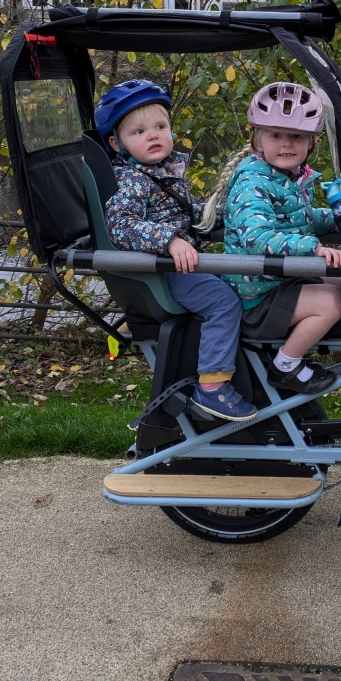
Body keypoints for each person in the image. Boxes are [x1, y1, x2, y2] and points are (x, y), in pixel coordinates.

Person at [96, 79, 257, 423]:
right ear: (116, 143)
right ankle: (212, 387)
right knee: (223, 301)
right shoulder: (131, 181)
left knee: (239, 280)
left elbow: (184, 212)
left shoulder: (163, 173)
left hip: (180, 266)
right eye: (138, 132)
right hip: (164, 275)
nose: (153, 135)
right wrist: (170, 239)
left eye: (160, 126)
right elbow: (121, 226)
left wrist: (230, 217)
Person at [222, 82, 341, 394]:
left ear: (311, 142)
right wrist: (314, 248)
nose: (287, 144)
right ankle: (285, 366)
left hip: (277, 281)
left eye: (296, 136)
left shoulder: (288, 177)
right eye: (275, 135)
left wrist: (338, 217)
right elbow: (257, 237)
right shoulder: (252, 182)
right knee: (330, 301)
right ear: (258, 139)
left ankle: (296, 337)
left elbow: (298, 219)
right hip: (255, 295)